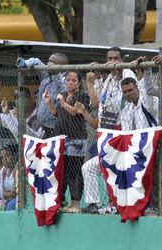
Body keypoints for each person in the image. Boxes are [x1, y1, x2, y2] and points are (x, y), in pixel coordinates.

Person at [78, 47, 136, 214]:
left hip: (121, 132)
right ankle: (93, 203)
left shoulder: (127, 75)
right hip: (106, 132)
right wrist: (92, 81)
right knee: (88, 168)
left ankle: (116, 205)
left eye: (115, 58)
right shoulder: (108, 79)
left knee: (112, 170)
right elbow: (97, 103)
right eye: (109, 59)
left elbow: (120, 103)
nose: (112, 62)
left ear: (122, 59)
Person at [44, 71, 90, 213]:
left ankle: (76, 203)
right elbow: (57, 113)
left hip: (75, 139)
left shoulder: (82, 95)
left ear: (79, 83)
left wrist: (63, 103)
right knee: (63, 171)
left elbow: (75, 112)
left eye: (73, 80)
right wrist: (49, 103)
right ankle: (63, 201)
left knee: (74, 171)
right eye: (68, 80)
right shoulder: (63, 95)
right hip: (62, 139)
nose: (70, 82)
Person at [17, 52, 69, 138]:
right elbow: (36, 61)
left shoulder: (64, 82)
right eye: (48, 61)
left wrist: (55, 71)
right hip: (42, 125)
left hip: (55, 127)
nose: (48, 64)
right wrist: (25, 63)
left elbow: (61, 85)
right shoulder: (47, 77)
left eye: (52, 62)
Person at [0, 146, 17, 211]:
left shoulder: (17, 168)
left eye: (7, 156)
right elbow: (1, 194)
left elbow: (14, 193)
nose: (4, 159)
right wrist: (7, 194)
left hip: (17, 199)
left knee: (11, 205)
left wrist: (6, 193)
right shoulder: (2, 172)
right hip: (7, 199)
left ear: (15, 156)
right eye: (2, 157)